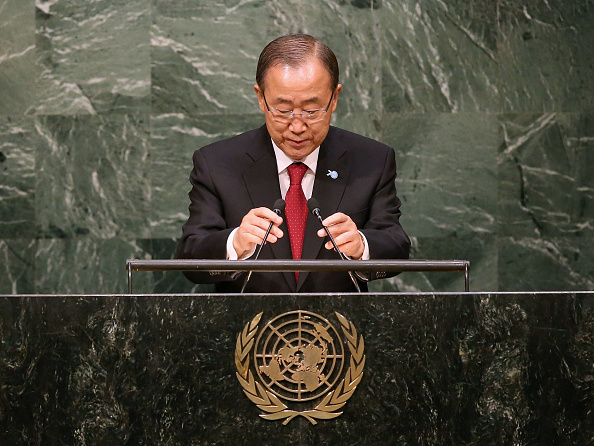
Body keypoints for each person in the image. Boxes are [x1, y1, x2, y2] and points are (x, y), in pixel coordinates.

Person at [176, 34, 410, 292]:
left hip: (339, 327)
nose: (297, 126)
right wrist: (235, 243)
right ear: (261, 98)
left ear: (334, 98)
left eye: (311, 110)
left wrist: (362, 246)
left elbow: (396, 244)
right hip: (247, 328)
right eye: (283, 110)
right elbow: (190, 257)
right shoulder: (217, 164)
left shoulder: (371, 160)